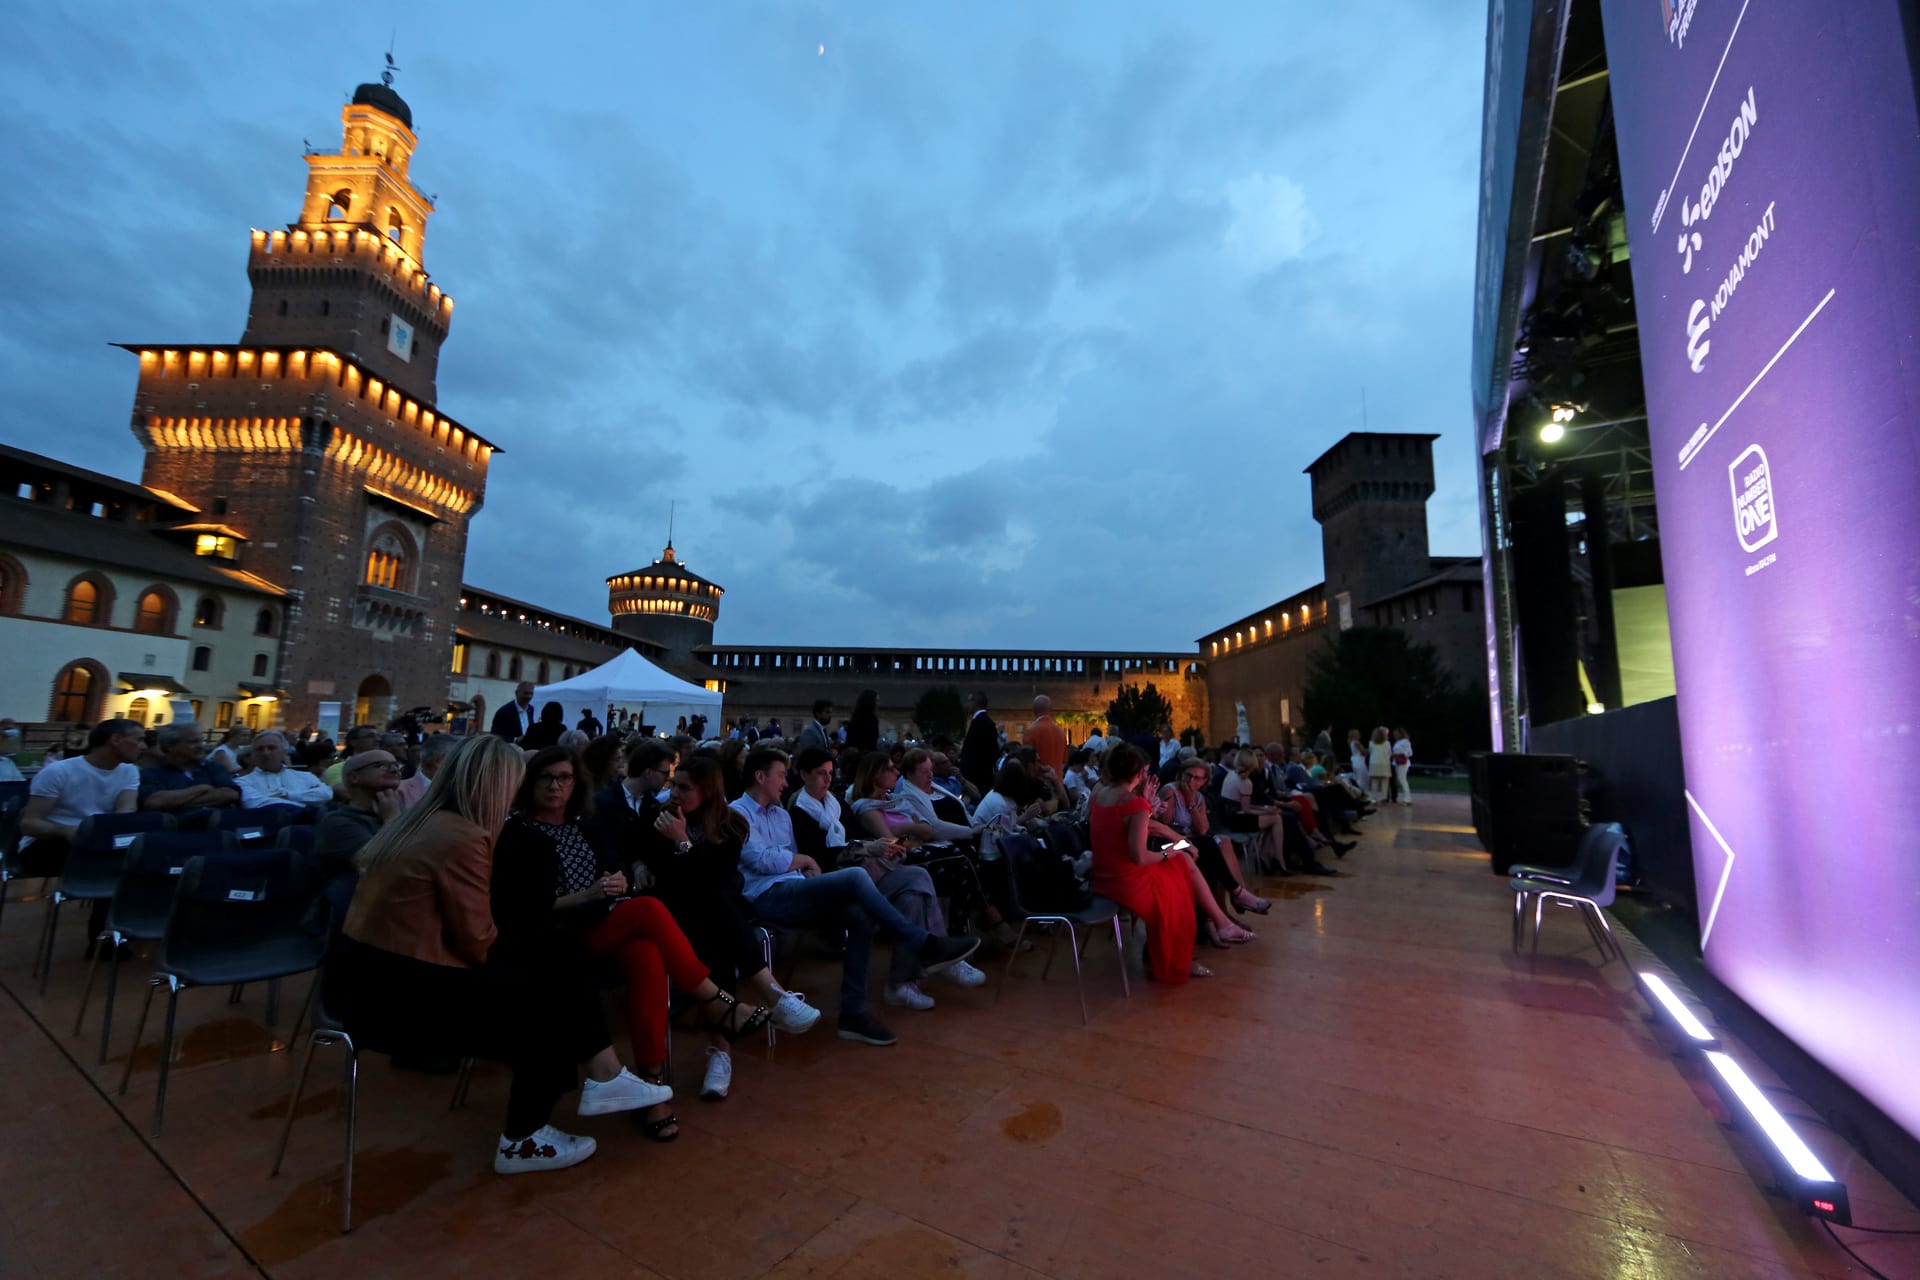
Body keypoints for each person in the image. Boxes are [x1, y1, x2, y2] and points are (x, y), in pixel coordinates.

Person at [329, 735, 672, 1174]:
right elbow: (478, 941)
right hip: (401, 997)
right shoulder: (463, 837)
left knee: (555, 959)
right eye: (516, 781)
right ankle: (525, 1135)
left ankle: (602, 1076)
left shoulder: (420, 822)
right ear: (494, 785)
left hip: (366, 977)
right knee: (549, 998)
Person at [492, 747, 772, 1137]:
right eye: (547, 777)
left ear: (577, 784)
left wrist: (622, 876)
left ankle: (653, 1092)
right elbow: (515, 910)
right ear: (530, 782)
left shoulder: (584, 826)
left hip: (598, 930)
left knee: (647, 953)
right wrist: (585, 896)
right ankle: (719, 1002)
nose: (556, 786)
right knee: (647, 911)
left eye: (565, 778)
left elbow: (618, 862)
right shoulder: (516, 834)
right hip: (553, 946)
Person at [730, 747, 980, 1046]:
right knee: (857, 876)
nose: (786, 782)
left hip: (796, 888)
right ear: (761, 776)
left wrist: (806, 866)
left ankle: (854, 1012)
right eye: (781, 776)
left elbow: (789, 857)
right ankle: (922, 943)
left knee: (859, 916)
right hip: (767, 896)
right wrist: (805, 861)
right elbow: (760, 860)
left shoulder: (783, 815)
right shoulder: (737, 813)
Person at [795, 749, 984, 1010]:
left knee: (913, 894)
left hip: (865, 870)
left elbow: (876, 839)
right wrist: (868, 847)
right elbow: (824, 856)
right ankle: (929, 959)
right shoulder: (801, 812)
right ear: (804, 775)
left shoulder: (836, 805)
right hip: (840, 879)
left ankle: (905, 980)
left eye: (830, 773)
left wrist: (867, 846)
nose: (827, 780)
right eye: (820, 774)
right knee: (925, 876)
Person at [1091, 745, 1250, 983]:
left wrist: (1168, 834)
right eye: (1144, 771)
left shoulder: (1100, 795)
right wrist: (1173, 849)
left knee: (1183, 865)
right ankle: (1183, 956)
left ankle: (1217, 924)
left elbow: (1129, 832)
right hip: (1127, 879)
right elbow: (1140, 857)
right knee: (1179, 888)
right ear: (1137, 773)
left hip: (1104, 874)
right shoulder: (1134, 804)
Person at [1158, 758, 1270, 928]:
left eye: (1198, 778)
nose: (1192, 781)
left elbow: (1203, 829)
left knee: (1223, 842)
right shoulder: (1169, 791)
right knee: (1212, 848)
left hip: (1192, 842)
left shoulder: (1199, 798)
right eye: (1189, 776)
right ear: (1181, 775)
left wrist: (1191, 803)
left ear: (1204, 781)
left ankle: (1233, 901)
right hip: (1169, 845)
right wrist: (1186, 800)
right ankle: (1237, 897)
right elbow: (1165, 824)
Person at [18, 718, 143, 852]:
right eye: (139, 740)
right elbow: (29, 824)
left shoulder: (129, 771)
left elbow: (125, 811)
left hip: (99, 840)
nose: (144, 747)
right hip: (50, 843)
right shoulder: (58, 771)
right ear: (116, 740)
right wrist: (67, 831)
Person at [311, 749, 403, 887]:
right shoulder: (337, 823)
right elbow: (376, 868)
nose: (394, 770)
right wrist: (392, 820)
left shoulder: (403, 811)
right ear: (354, 777)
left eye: (396, 765)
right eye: (382, 765)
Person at [139, 722, 240, 813]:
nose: (201, 746)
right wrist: (202, 788)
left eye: (202, 741)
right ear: (169, 745)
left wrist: (174, 803)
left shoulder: (214, 768)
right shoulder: (152, 772)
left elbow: (230, 794)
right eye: (193, 742)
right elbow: (154, 802)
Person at [236, 731, 334, 810]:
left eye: (272, 748)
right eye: (260, 749)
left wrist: (286, 795)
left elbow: (326, 794)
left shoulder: (305, 776)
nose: (266, 753)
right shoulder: (243, 782)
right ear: (253, 754)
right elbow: (255, 803)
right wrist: (305, 804)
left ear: (284, 751)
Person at [395, 732, 462, 810]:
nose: (463, 762)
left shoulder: (462, 790)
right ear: (439, 762)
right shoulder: (400, 791)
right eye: (458, 758)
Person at [958, 692, 998, 796]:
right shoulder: (984, 721)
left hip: (977, 778)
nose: (967, 704)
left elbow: (975, 751)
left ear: (975, 703)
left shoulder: (980, 722)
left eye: (969, 701)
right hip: (982, 775)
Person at [322, 726, 381, 792]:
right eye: (370, 736)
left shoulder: (384, 767)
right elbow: (346, 794)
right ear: (353, 742)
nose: (378, 739)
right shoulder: (339, 769)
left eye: (378, 736)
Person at [1025, 696, 1067, 778]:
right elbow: (1064, 761)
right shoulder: (1060, 732)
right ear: (1050, 710)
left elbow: (1028, 762)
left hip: (1039, 783)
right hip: (1058, 782)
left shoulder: (1030, 731)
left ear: (1033, 710)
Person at [1391, 728, 1414, 806]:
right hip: (1397, 762)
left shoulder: (1406, 741)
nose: (1395, 735)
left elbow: (1410, 753)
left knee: (1402, 779)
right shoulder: (1397, 742)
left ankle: (1408, 799)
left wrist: (1399, 754)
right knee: (1401, 779)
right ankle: (1407, 798)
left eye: (1396, 733)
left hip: (1403, 762)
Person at [1368, 727, 1392, 800]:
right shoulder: (1387, 743)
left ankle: (1373, 799)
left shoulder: (1371, 743)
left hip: (1374, 764)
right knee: (1385, 782)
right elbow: (1389, 753)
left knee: (1374, 782)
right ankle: (1384, 798)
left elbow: (1370, 752)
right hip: (1385, 764)